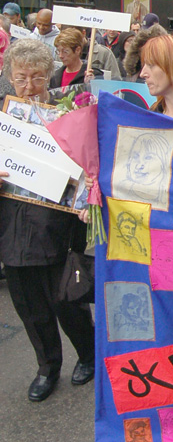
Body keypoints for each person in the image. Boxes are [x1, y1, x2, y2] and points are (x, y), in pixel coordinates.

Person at [0, 39, 95, 402]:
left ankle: (86, 354)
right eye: (21, 77)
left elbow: (87, 160)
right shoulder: (3, 113)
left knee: (65, 297)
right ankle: (47, 366)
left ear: (48, 75)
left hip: (55, 220)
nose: (29, 86)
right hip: (10, 220)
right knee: (28, 304)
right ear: (10, 76)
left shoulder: (64, 110)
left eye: (37, 77)